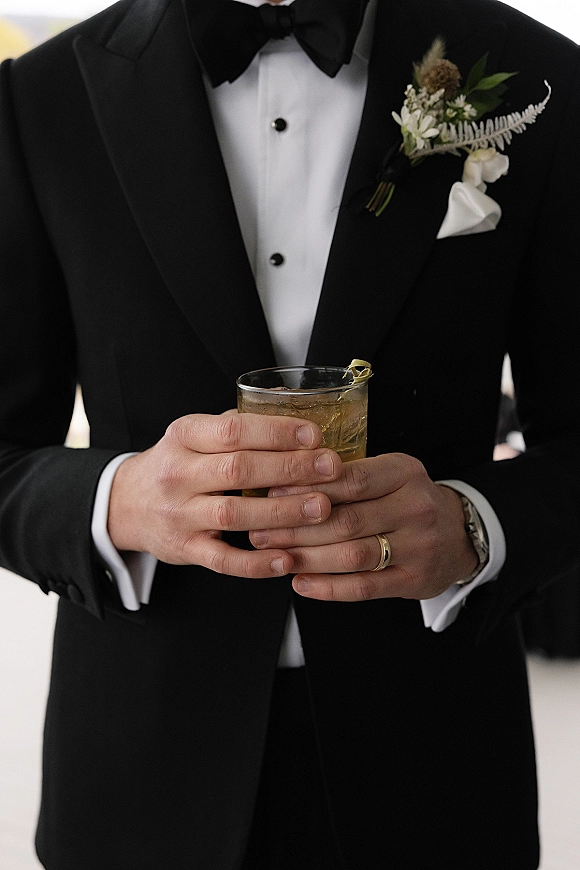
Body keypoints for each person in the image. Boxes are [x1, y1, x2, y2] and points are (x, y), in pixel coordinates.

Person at [0, 0, 579, 867]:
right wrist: (120, 500)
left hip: (435, 771)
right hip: (139, 777)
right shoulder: (41, 96)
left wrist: (474, 527)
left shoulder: (540, 77)